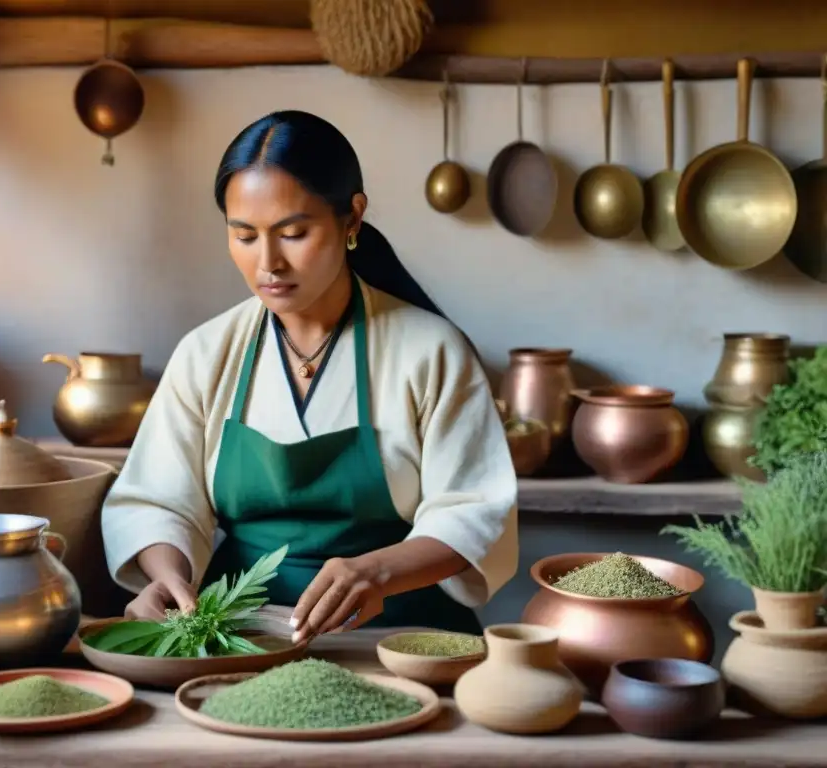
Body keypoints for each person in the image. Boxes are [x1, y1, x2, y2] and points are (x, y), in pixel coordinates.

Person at [101, 110, 518, 644]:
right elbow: (158, 500)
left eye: (293, 233)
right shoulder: (206, 353)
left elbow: (474, 510)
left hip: (402, 635)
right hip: (239, 636)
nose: (268, 263)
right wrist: (169, 577)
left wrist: (376, 572)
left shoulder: (431, 350)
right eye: (244, 236)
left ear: (353, 218)